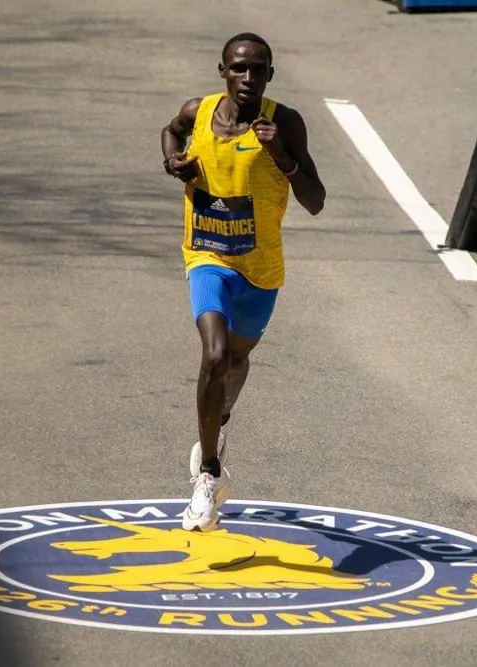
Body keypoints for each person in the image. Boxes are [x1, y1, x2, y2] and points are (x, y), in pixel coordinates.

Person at [159, 32, 327, 532]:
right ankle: (208, 474)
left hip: (261, 269)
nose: (248, 77)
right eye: (239, 68)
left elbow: (316, 201)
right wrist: (172, 161)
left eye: (258, 69)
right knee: (212, 355)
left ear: (270, 75)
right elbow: (170, 132)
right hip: (207, 256)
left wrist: (284, 159)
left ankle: (220, 420)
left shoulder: (286, 123)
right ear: (222, 71)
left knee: (235, 359)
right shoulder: (198, 112)